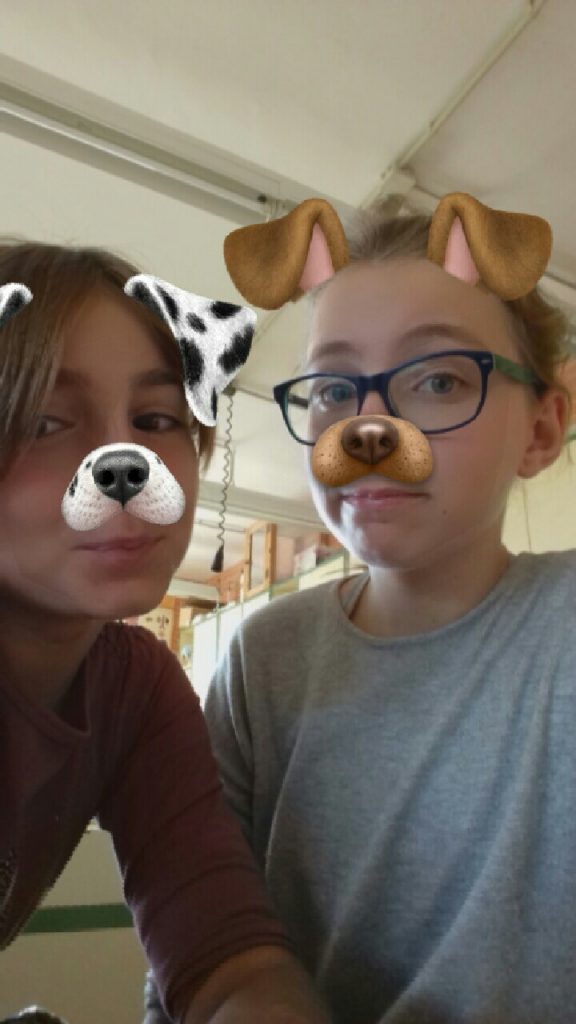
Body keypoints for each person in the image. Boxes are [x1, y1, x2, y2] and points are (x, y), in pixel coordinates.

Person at [148, 194, 576, 1023]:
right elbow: (194, 961)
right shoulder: (265, 661)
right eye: (334, 389)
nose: (369, 429)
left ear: (541, 427)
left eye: (440, 379)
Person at [0, 240, 333, 1024]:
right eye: (46, 421)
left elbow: (223, 956)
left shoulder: (137, 688)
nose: (124, 462)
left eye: (156, 420)